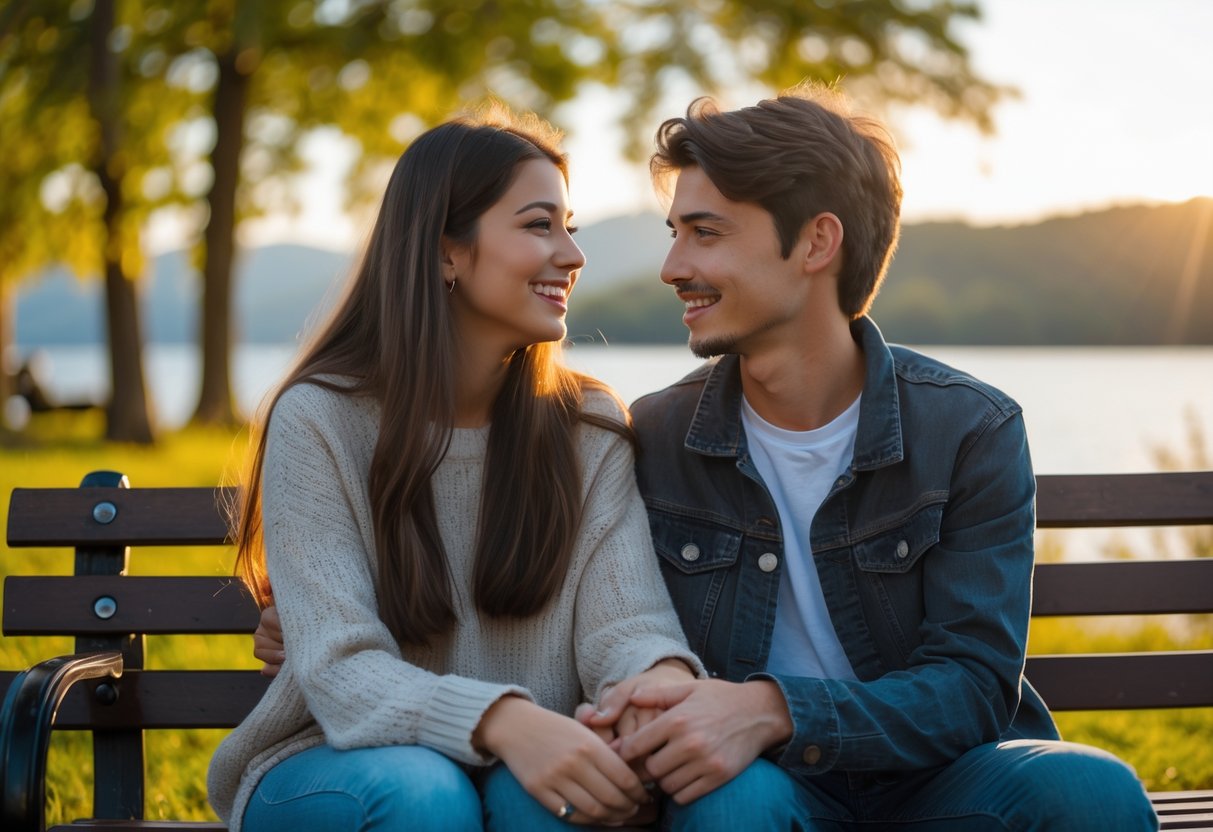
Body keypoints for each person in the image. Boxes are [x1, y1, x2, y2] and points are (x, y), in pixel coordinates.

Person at [256, 87, 1160, 830]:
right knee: (706, 799)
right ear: (446, 254)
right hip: (742, 781)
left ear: (814, 243)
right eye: (670, 231)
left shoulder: (966, 429)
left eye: (705, 232)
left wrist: (750, 704)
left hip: (924, 779)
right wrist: (315, 621)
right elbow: (612, 629)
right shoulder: (654, 434)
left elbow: (966, 684)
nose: (664, 266)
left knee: (1090, 794)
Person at [206, 108, 703, 832]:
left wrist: (653, 686)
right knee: (425, 795)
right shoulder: (320, 419)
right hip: (334, 765)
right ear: (446, 252)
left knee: (549, 806)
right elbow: (341, 668)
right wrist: (504, 722)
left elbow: (624, 625)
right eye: (539, 225)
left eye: (570, 227)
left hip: (529, 762)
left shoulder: (587, 426)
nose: (571, 254)